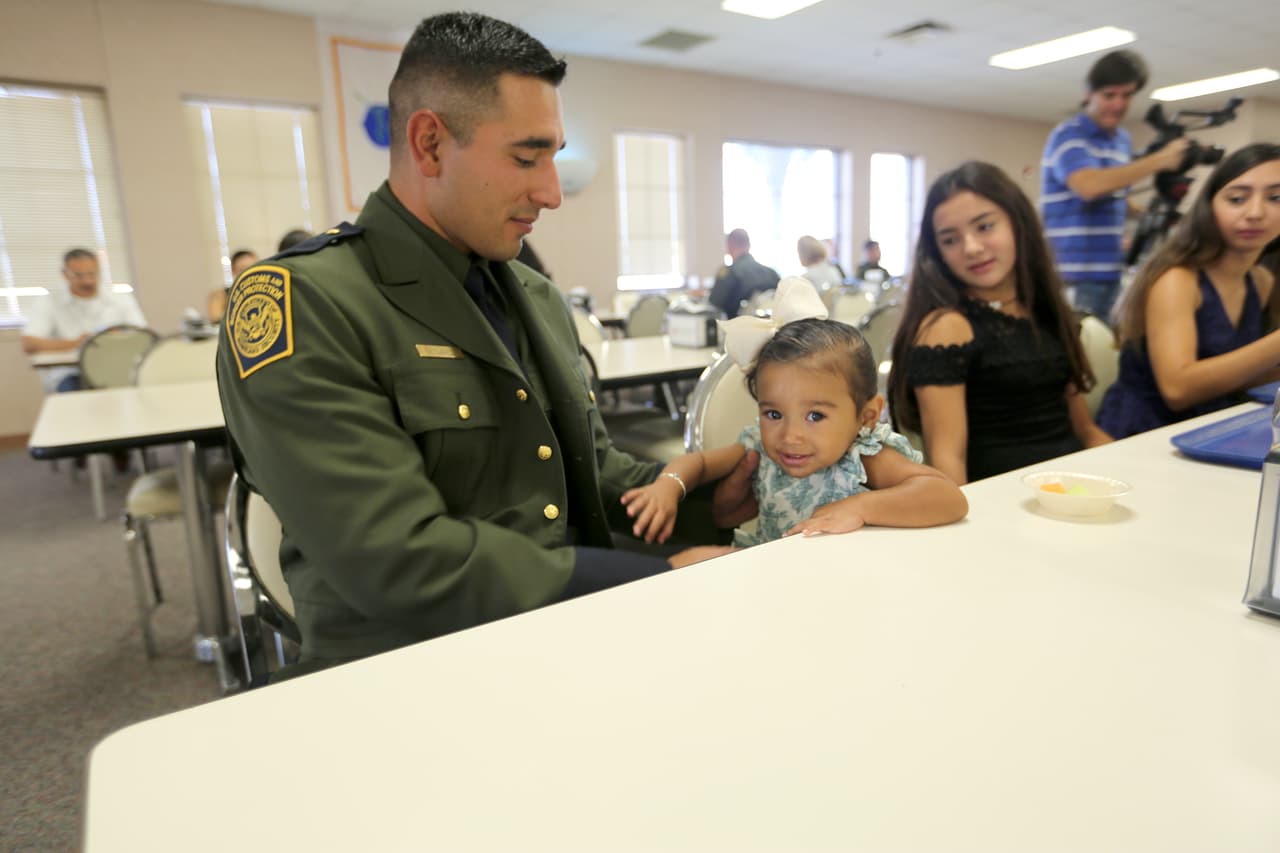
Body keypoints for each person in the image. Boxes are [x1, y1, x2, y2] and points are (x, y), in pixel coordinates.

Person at [216, 12, 732, 679]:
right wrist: (649, 577)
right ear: (430, 143)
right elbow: (395, 557)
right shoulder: (308, 303)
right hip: (407, 678)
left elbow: (591, 475)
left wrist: (713, 499)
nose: (551, 191)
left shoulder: (531, 293)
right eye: (527, 156)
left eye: (553, 156)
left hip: (567, 641)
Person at [621, 278, 967, 547]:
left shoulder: (860, 456)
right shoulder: (758, 447)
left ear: (866, 416)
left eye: (815, 416)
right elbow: (699, 464)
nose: (790, 436)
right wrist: (668, 485)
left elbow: (949, 498)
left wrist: (860, 507)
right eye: (773, 414)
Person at [888, 162, 1112, 485]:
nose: (972, 248)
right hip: (1001, 503)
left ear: (1017, 222)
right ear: (936, 252)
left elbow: (1085, 431)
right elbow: (948, 460)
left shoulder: (1043, 309)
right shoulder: (947, 327)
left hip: (1072, 486)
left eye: (984, 227)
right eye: (950, 240)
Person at [1097, 144, 1280, 438]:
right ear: (1209, 205)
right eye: (1237, 199)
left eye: (1276, 198)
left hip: (1214, 428)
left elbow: (1241, 375)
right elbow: (1177, 389)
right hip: (1145, 434)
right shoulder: (1177, 279)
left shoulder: (1261, 280)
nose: (1255, 212)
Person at [1040, 50, 1190, 320]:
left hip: (1112, 271)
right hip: (1074, 276)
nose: (1119, 104)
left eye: (1127, 95)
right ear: (1089, 93)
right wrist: (1160, 159)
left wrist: (1149, 215)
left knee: (1108, 355)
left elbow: (1115, 196)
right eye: (1109, 95)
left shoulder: (1121, 139)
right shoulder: (1069, 135)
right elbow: (1088, 186)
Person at [21, 248, 147, 392]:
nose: (87, 281)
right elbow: (29, 343)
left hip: (117, 371)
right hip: (73, 374)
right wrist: (78, 343)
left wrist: (113, 339)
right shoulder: (49, 302)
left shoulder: (120, 300)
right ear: (65, 274)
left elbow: (143, 337)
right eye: (79, 275)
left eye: (92, 274)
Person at [708, 228, 780, 318]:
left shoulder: (730, 272)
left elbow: (716, 302)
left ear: (729, 246)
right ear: (749, 245)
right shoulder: (771, 273)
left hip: (739, 327)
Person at [208, 248, 260, 323]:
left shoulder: (265, 291)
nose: (250, 273)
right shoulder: (221, 295)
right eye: (243, 269)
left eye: (254, 267)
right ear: (233, 271)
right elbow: (215, 318)